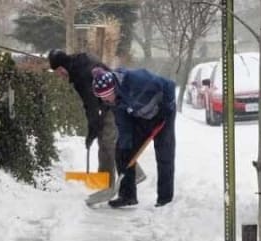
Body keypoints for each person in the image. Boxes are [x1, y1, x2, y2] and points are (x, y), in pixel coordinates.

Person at [91, 66, 176, 208]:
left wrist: (167, 107)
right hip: (140, 118)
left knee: (164, 156)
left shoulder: (137, 79)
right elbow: (123, 124)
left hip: (163, 115)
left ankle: (164, 199)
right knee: (122, 152)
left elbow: (169, 85)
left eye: (107, 95)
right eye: (102, 97)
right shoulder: (113, 101)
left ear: (114, 87)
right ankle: (127, 196)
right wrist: (125, 146)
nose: (106, 99)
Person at [47, 49, 117, 187]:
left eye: (58, 73)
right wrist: (93, 128)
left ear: (62, 68)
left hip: (113, 100)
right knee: (109, 142)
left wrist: (92, 129)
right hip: (107, 100)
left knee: (106, 143)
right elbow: (89, 103)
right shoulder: (79, 63)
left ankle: (106, 186)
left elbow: (91, 104)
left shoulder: (81, 73)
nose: (60, 76)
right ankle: (130, 174)